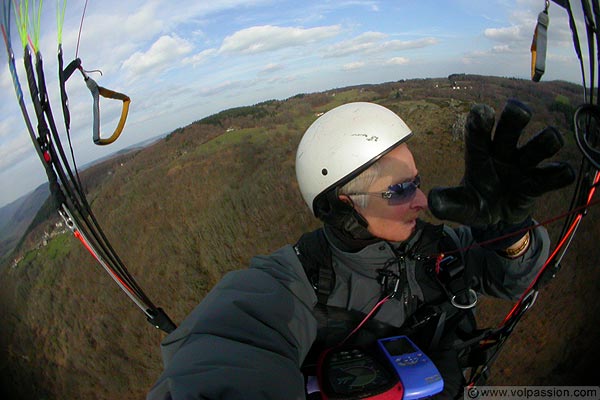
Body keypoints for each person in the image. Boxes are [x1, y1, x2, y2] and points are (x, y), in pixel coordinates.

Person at [147, 100, 574, 399]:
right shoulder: (293, 283)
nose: (423, 200)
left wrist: (509, 232)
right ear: (343, 205)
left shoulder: (439, 247)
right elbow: (224, 349)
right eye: (400, 189)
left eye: (417, 181)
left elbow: (513, 278)